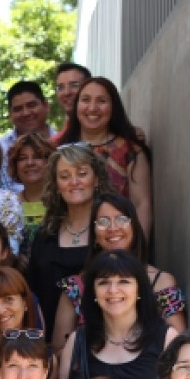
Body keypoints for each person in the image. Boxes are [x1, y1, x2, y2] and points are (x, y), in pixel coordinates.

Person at [51, 250, 178, 379]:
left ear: (139, 289)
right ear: (93, 291)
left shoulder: (166, 339)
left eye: (124, 282)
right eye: (103, 283)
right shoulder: (78, 340)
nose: (113, 290)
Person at [52, 193, 186, 350]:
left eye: (121, 219)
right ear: (94, 234)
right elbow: (59, 350)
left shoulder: (161, 282)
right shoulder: (75, 286)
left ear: (134, 227)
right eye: (103, 222)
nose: (113, 228)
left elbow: (179, 347)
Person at [25, 143, 114, 340]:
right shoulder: (45, 234)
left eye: (82, 173)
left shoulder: (112, 231)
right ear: (57, 185)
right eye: (65, 176)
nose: (74, 182)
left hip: (101, 340)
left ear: (96, 179)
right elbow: (32, 294)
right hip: (48, 342)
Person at [57, 77, 152, 239]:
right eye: (85, 100)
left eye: (101, 101)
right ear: (77, 106)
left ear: (113, 107)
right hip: (70, 240)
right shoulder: (60, 151)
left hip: (116, 240)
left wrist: (136, 252)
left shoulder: (130, 150)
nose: (92, 108)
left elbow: (141, 204)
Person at [7, 132, 55, 248]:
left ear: (49, 162)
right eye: (23, 158)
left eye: (37, 157)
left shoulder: (62, 203)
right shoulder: (7, 204)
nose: (30, 163)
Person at [0, 81, 54, 162]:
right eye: (18, 109)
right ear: (10, 114)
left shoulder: (65, 142)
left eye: (31, 105)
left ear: (46, 106)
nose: (26, 113)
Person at [53, 62, 92, 127]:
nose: (66, 93)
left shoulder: (105, 132)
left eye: (74, 85)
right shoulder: (61, 136)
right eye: (61, 87)